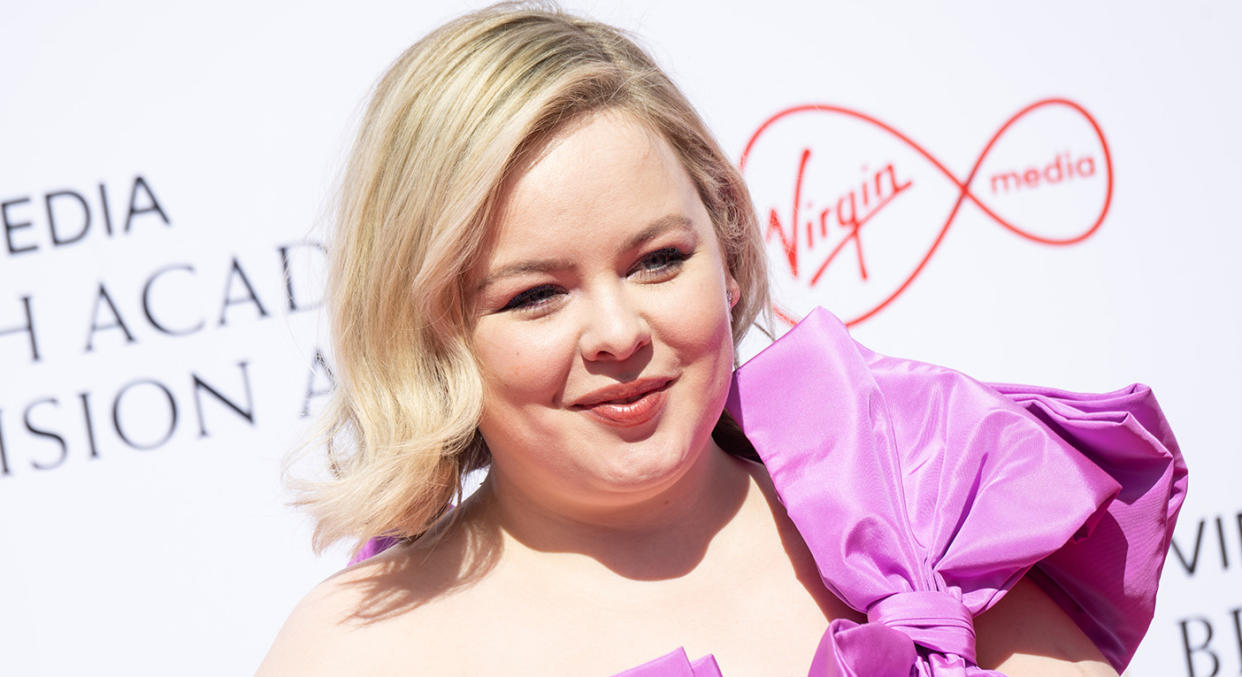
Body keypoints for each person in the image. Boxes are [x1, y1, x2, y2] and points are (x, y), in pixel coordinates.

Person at [258, 4, 1187, 676]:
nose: (619, 332)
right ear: (432, 333)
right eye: (536, 295)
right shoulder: (358, 653)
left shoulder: (919, 504)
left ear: (728, 251)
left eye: (658, 260)